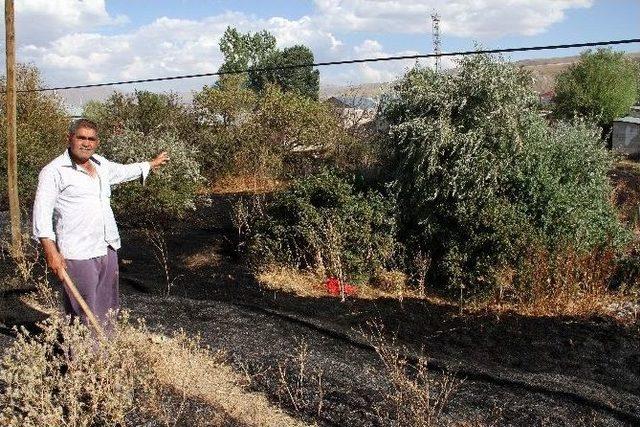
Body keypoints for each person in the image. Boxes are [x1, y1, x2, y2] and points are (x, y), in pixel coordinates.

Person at [32, 118, 169, 329]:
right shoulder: (54, 171)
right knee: (81, 310)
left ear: (97, 142)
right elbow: (41, 215)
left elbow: (123, 171)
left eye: (91, 139)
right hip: (78, 253)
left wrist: (149, 164)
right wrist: (51, 253)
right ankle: (81, 358)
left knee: (108, 306)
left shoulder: (101, 164)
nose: (86, 143)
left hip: (106, 247)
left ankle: (104, 354)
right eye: (81, 138)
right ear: (70, 139)